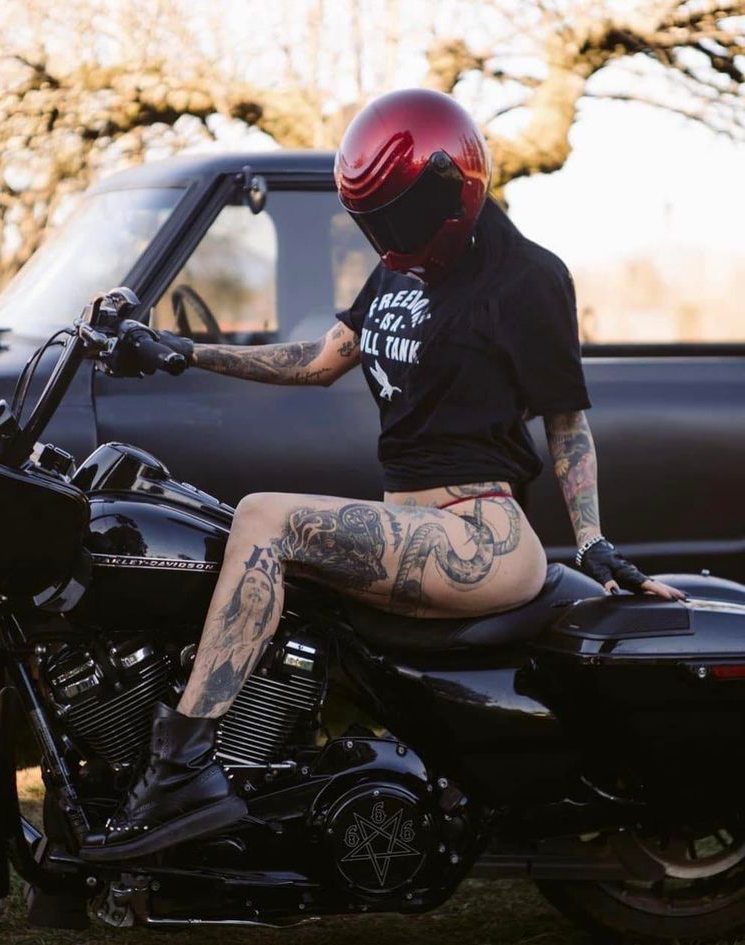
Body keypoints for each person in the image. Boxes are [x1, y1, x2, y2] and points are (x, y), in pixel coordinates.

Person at [80, 89, 685, 862]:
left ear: (453, 189)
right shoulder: (399, 271)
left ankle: (181, 770)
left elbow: (567, 423)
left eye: (398, 218)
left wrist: (594, 541)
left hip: (479, 535)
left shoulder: (527, 277)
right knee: (212, 525)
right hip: (412, 523)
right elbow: (318, 360)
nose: (387, 237)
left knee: (266, 516)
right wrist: (181, 351)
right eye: (374, 222)